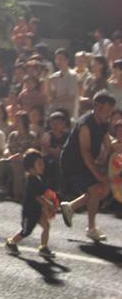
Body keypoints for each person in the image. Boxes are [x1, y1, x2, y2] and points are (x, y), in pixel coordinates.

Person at [60, 90, 117, 242]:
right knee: (96, 189)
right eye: (106, 111)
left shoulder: (103, 122)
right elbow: (85, 152)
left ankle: (70, 207)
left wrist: (117, 147)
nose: (109, 115)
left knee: (103, 189)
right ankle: (91, 229)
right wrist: (99, 175)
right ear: (97, 107)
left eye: (111, 111)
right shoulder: (85, 125)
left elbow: (108, 144)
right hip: (73, 163)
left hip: (86, 161)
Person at [5, 149, 56, 258]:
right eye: (39, 164)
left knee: (46, 226)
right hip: (29, 212)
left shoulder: (37, 178)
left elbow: (42, 194)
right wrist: (49, 205)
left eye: (42, 163)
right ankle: (11, 242)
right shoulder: (32, 180)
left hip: (37, 209)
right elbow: (38, 197)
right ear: (31, 167)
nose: (43, 166)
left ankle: (43, 247)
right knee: (26, 231)